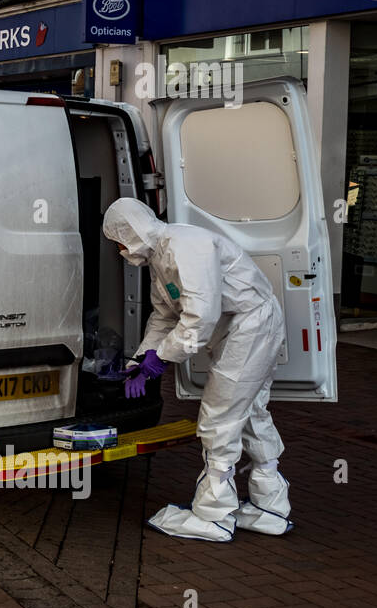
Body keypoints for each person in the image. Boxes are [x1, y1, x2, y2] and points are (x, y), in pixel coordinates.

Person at [102, 198, 291, 542]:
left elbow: (200, 318)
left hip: (249, 325)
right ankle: (269, 505)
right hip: (243, 327)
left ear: (129, 233)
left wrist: (160, 358)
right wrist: (139, 361)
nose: (119, 251)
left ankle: (213, 515)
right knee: (249, 412)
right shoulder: (161, 259)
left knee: (219, 417)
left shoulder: (184, 246)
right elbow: (164, 318)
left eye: (118, 242)